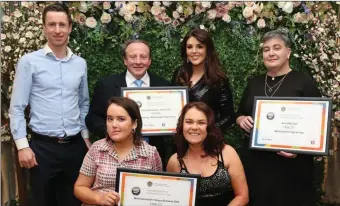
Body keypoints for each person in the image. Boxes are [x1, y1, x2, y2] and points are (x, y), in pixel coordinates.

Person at [9, 3, 91, 206]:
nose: (57, 30)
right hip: (42, 149)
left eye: (62, 24)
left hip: (74, 148)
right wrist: (22, 146)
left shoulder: (80, 64)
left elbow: (83, 103)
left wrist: (86, 137)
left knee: (74, 201)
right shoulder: (29, 62)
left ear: (70, 27)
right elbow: (17, 107)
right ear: (44, 28)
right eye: (52, 24)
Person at [236, 29, 322, 206]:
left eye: (277, 48)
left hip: (291, 167)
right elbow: (239, 113)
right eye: (266, 49)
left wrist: (299, 150)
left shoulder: (303, 82)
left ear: (288, 52)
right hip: (257, 164)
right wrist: (241, 120)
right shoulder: (255, 83)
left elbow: (317, 124)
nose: (271, 53)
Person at [85, 39, 170, 166]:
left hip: (153, 155)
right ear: (125, 60)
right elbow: (92, 118)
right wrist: (114, 132)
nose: (138, 61)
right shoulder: (107, 85)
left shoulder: (164, 86)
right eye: (132, 57)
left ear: (149, 61)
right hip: (114, 154)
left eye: (143, 57)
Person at [74, 97, 162, 205]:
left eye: (121, 119)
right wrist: (99, 198)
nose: (114, 125)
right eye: (110, 119)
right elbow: (80, 187)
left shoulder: (150, 154)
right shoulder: (97, 148)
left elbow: (157, 193)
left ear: (134, 123)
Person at [167, 102, 249, 206]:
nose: (194, 127)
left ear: (209, 127)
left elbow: (242, 196)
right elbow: (173, 200)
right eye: (189, 122)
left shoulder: (227, 153)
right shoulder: (175, 161)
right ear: (182, 125)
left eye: (201, 123)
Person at [171, 28, 235, 132]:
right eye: (189, 47)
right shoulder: (179, 74)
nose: (194, 51)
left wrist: (206, 132)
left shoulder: (218, 79)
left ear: (207, 50)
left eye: (199, 47)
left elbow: (228, 117)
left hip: (207, 143)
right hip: (180, 141)